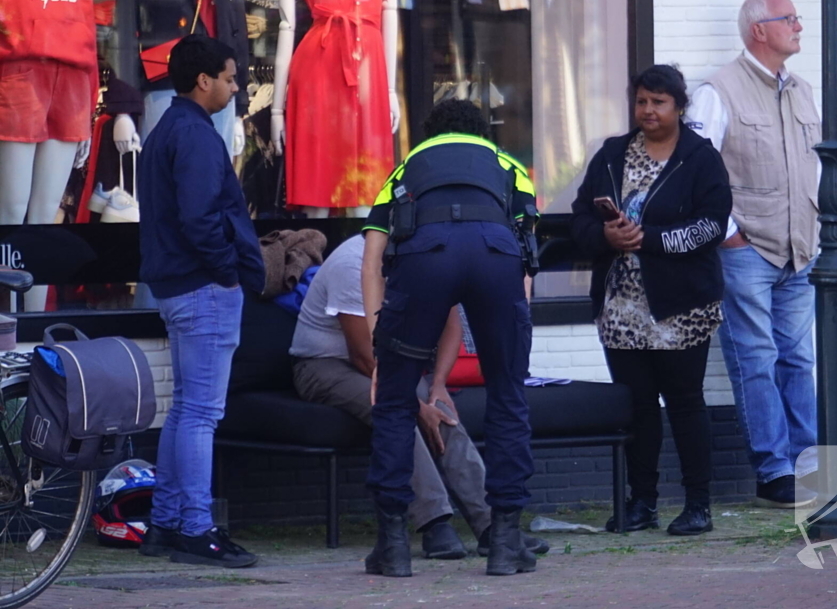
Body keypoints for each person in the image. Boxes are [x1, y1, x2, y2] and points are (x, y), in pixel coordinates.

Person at [361, 99, 539, 577]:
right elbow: (527, 255)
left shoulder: (406, 167)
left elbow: (374, 253)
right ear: (482, 133)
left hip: (424, 257)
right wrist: (514, 334)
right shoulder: (509, 165)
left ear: (431, 133)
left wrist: (382, 343)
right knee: (508, 397)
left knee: (395, 403)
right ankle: (504, 542)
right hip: (495, 257)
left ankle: (393, 546)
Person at [290, 233, 548, 559]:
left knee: (442, 411)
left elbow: (450, 325)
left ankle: (491, 526)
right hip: (326, 365)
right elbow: (361, 356)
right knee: (397, 414)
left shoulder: (427, 257)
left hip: (389, 362)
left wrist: (437, 386)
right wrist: (416, 407)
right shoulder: (352, 264)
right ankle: (435, 523)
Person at [570, 64, 732, 537]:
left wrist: (648, 240)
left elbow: (711, 228)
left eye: (659, 102)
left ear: (679, 107)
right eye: (642, 101)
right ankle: (642, 503)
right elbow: (579, 221)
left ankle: (698, 504)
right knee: (637, 407)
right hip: (621, 307)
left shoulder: (699, 159)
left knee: (684, 403)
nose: (648, 111)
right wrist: (605, 235)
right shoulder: (611, 155)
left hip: (682, 307)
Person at [685, 0, 820, 508]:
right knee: (756, 359)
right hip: (746, 251)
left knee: (798, 360)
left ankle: (808, 467)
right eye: (791, 19)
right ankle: (774, 471)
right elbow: (696, 170)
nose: (800, 27)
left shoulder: (803, 90)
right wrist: (728, 234)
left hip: (801, 253)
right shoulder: (717, 92)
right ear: (759, 30)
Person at [137, 35, 265, 568]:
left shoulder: (166, 128)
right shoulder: (194, 134)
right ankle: (195, 527)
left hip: (176, 284)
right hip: (202, 286)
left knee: (186, 408)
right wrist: (227, 273)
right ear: (204, 80)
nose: (236, 89)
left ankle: (166, 525)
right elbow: (200, 217)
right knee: (201, 413)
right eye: (231, 79)